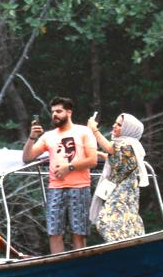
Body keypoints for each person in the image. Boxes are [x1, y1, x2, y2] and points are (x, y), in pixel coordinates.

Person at [22, 96, 97, 253]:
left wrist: (69, 167)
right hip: (55, 187)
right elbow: (27, 157)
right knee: (54, 232)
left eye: (59, 111)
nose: (54, 115)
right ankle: (58, 268)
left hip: (79, 187)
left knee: (79, 233)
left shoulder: (83, 131)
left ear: (69, 112)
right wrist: (31, 138)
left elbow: (92, 160)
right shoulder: (48, 136)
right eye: (52, 112)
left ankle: (79, 265)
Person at [87, 112, 149, 241]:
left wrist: (94, 130)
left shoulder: (128, 144)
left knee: (107, 220)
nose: (114, 126)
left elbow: (111, 150)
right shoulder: (127, 145)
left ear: (128, 129)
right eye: (115, 123)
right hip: (121, 190)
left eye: (119, 124)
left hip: (123, 191)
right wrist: (97, 153)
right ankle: (129, 242)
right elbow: (115, 158)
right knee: (125, 219)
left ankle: (120, 244)